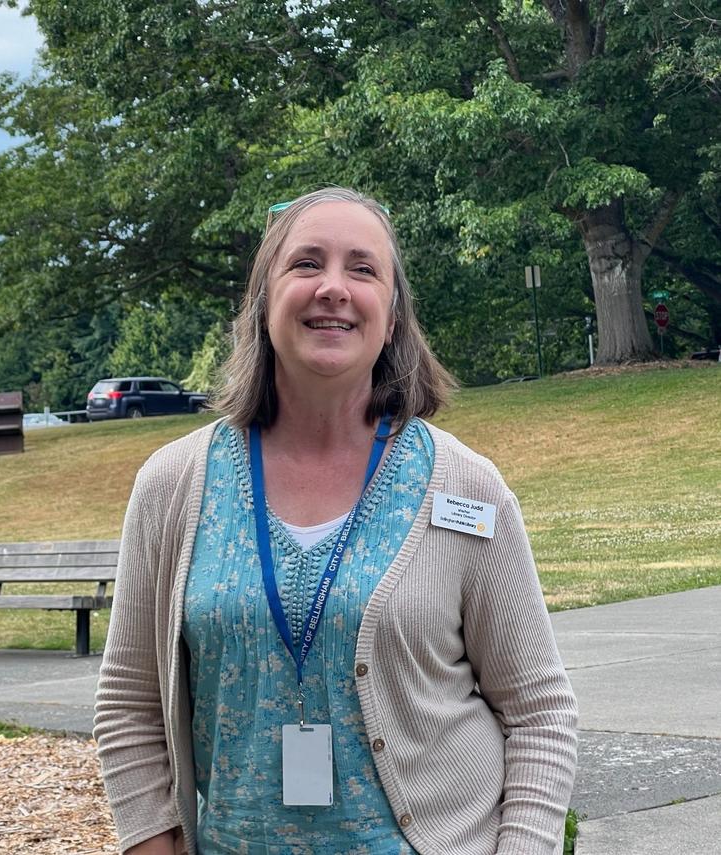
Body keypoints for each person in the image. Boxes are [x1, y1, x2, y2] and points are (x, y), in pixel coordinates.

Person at [94, 188, 578, 855]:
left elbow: (539, 712)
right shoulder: (173, 485)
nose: (333, 288)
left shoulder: (466, 488)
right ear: (263, 301)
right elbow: (129, 703)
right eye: (306, 264)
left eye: (362, 269)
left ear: (393, 314)